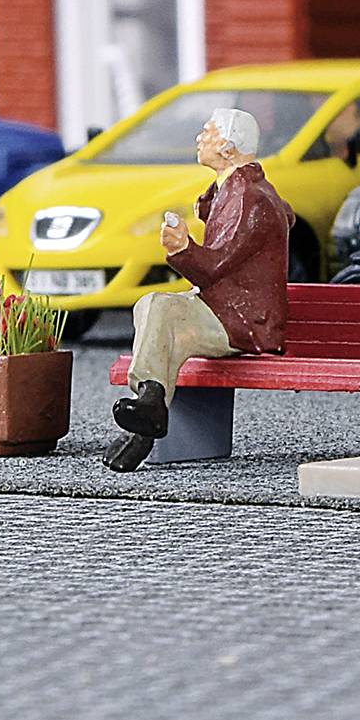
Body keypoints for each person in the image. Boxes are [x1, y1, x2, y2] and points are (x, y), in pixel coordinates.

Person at [101, 109, 294, 472]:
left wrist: (181, 249)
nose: (199, 139)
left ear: (228, 147)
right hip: (225, 308)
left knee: (159, 307)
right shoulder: (234, 190)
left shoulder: (251, 199)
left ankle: (150, 408)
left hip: (245, 320)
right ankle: (148, 410)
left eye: (207, 133)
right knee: (151, 310)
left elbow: (213, 269)